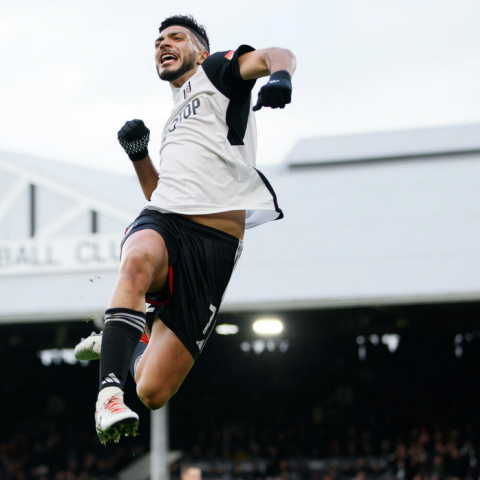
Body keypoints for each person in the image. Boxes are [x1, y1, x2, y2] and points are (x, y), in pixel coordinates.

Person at [74, 14, 296, 445]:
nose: (163, 44)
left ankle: (120, 343)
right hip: (166, 220)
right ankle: (109, 397)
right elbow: (162, 194)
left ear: (201, 52)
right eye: (157, 41)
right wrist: (140, 155)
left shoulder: (217, 73)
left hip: (215, 245)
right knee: (136, 260)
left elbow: (277, 55)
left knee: (154, 390)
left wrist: (280, 77)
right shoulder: (174, 118)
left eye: (176, 37)